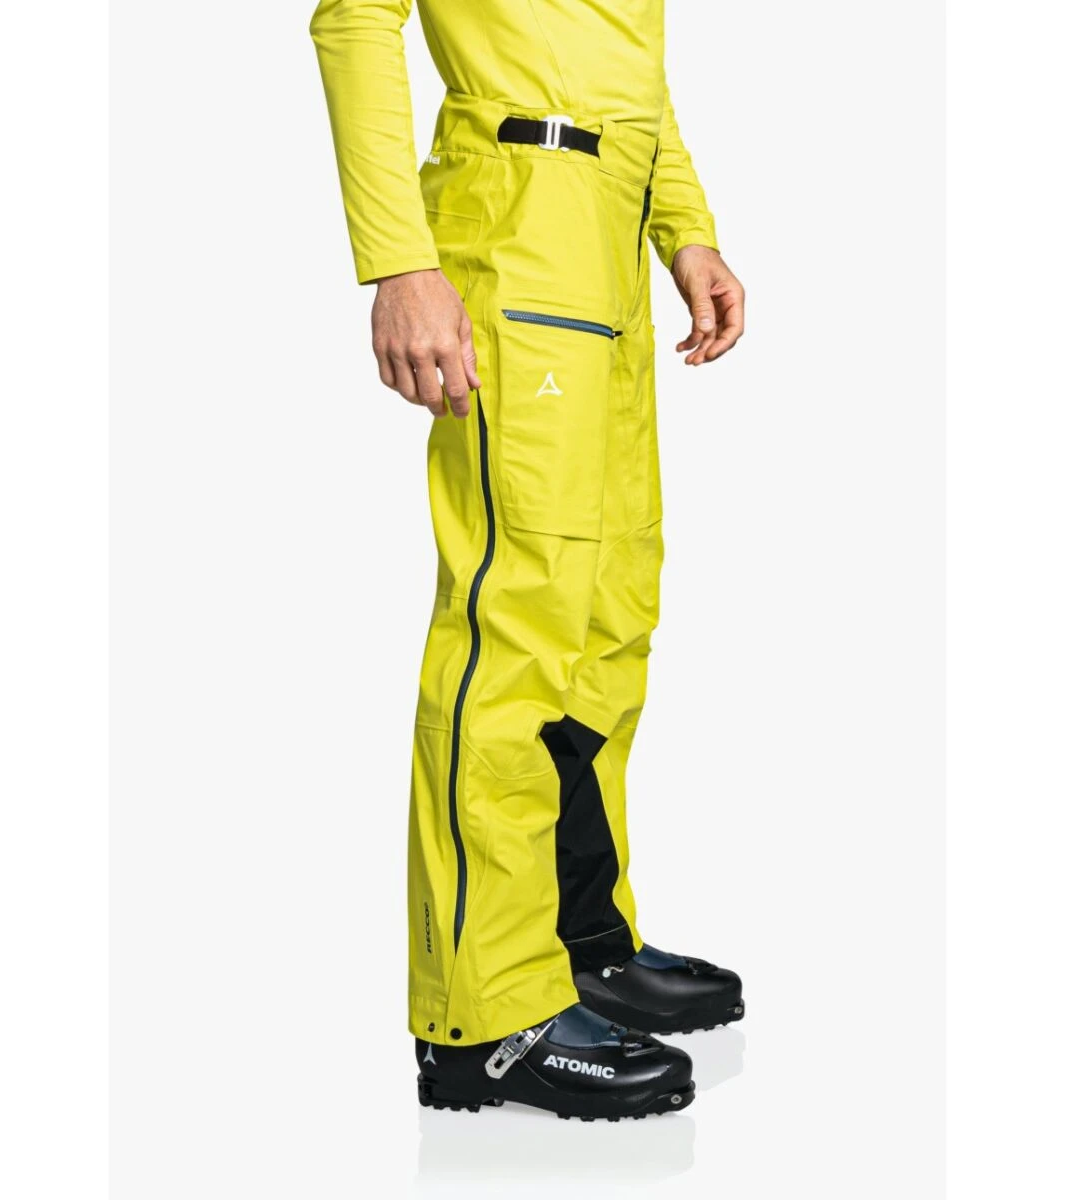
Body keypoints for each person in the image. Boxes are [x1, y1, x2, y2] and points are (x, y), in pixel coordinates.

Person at [310, 0, 746, 1121]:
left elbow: (627, 63)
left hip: (610, 239)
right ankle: (487, 1016)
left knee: (607, 617)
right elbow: (355, 18)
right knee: (515, 621)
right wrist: (400, 261)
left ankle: (578, 945)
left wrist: (684, 228)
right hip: (516, 224)